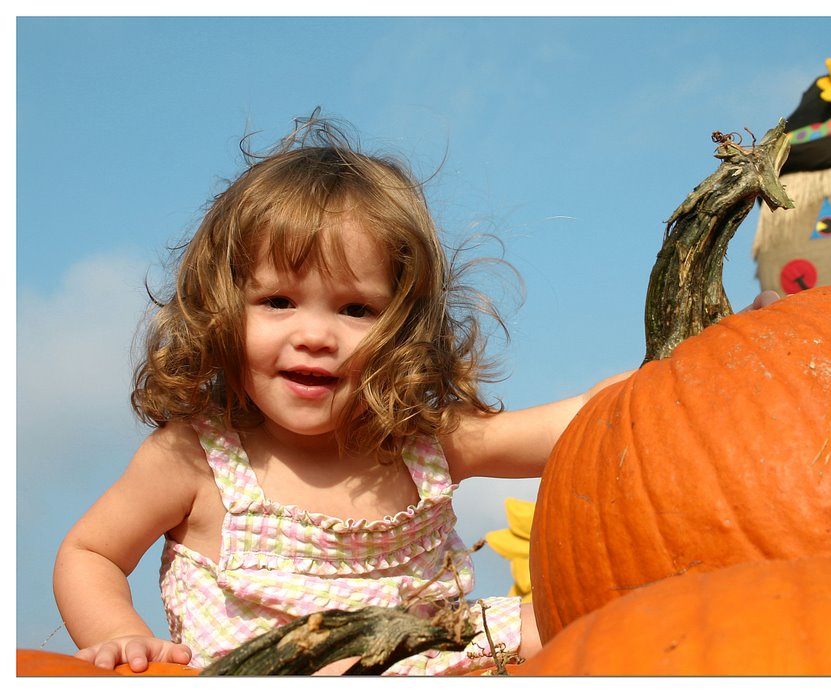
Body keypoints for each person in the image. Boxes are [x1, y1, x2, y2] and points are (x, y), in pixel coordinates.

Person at [53, 113, 777, 675]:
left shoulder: (420, 443)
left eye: (354, 310)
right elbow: (90, 552)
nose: (316, 335)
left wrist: (682, 380)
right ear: (221, 307)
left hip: (439, 662)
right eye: (277, 301)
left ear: (402, 326)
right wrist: (120, 638)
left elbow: (573, 426)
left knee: (590, 624)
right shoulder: (194, 460)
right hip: (255, 675)